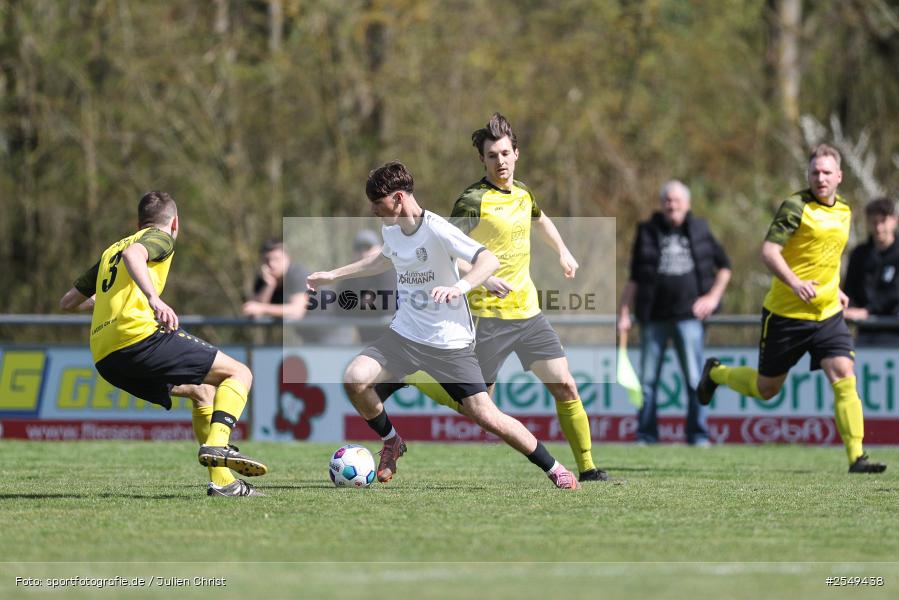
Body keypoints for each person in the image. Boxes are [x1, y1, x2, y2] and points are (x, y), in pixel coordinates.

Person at [307, 161, 580, 489]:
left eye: (378, 205)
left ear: (398, 199)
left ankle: (555, 469)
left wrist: (459, 288)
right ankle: (392, 442)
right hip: (405, 336)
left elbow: (487, 260)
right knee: (355, 379)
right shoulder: (392, 229)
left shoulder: (437, 228)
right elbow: (383, 258)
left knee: (486, 415)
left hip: (449, 343)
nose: (374, 212)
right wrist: (332, 275)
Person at [378, 113, 609, 482]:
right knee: (476, 407)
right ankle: (420, 377)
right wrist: (481, 281)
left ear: (516, 154)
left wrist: (563, 251)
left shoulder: (523, 194)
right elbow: (445, 252)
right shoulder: (473, 200)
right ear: (483, 161)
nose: (500, 161)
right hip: (487, 318)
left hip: (529, 314)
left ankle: (589, 469)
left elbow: (541, 218)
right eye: (491, 156)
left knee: (565, 385)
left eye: (504, 153)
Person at [59, 191, 268, 496]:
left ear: (137, 221)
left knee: (203, 391)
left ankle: (223, 483)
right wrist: (153, 298)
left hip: (107, 359)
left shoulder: (109, 253)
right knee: (240, 373)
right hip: (140, 340)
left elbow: (67, 302)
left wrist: (110, 302)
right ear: (175, 224)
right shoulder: (160, 237)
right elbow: (135, 255)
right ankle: (219, 444)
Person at [698, 145, 887, 473]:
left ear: (839, 176)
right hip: (786, 316)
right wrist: (795, 282)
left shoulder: (844, 210)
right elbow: (769, 252)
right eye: (815, 172)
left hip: (827, 314)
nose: (821, 178)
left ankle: (857, 457)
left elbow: (825, 257)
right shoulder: (795, 207)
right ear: (808, 175)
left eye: (827, 172)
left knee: (844, 374)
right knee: (766, 389)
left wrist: (837, 290)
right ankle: (716, 373)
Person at [617, 180, 732, 446]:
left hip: (689, 320)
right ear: (662, 204)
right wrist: (624, 312)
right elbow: (634, 277)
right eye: (668, 200)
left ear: (687, 204)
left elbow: (725, 267)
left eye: (677, 200)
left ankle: (698, 435)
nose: (672, 204)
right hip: (653, 318)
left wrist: (712, 298)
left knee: (695, 381)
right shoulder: (647, 231)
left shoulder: (701, 229)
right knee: (647, 383)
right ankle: (646, 435)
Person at [843, 197, 899, 346]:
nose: (879, 227)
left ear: (894, 221)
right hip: (865, 331)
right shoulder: (860, 254)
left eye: (883, 221)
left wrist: (868, 311)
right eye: (874, 222)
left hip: (894, 331)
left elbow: (895, 294)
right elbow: (850, 289)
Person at [335, 229, 398, 343]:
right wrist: (365, 303)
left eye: (368, 248)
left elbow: (388, 304)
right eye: (358, 249)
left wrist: (355, 304)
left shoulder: (389, 269)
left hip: (395, 341)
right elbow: (339, 306)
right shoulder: (351, 276)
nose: (363, 253)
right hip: (367, 342)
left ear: (381, 249)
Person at [242, 238, 310, 321]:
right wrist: (269, 286)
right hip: (305, 331)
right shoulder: (264, 279)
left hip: (328, 327)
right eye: (266, 260)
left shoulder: (298, 274)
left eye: (276, 259)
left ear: (288, 259)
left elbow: (297, 312)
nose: (271, 264)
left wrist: (263, 309)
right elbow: (252, 313)